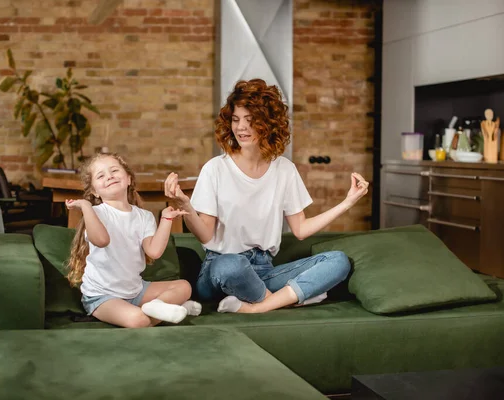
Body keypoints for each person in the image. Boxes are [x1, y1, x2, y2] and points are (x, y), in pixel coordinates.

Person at [164, 78, 369, 314]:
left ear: (269, 124)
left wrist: (348, 202)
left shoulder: (284, 170)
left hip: (263, 271)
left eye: (251, 121)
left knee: (338, 261)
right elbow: (206, 234)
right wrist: (187, 207)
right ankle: (284, 300)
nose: (241, 128)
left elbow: (300, 229)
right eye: (236, 119)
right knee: (231, 265)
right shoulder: (215, 168)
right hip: (220, 270)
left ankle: (255, 307)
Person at [66, 152, 202, 328]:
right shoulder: (96, 213)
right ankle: (168, 309)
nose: (110, 176)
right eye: (101, 176)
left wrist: (166, 219)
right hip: (102, 296)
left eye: (114, 170)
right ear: (94, 191)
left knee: (184, 287)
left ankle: (158, 306)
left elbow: (154, 251)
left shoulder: (144, 216)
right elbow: (101, 240)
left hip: (136, 290)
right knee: (139, 320)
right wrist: (85, 206)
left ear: (129, 179)